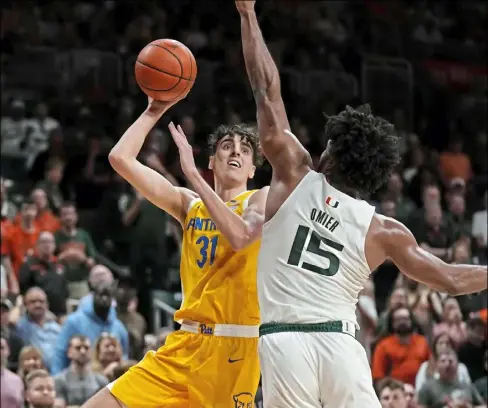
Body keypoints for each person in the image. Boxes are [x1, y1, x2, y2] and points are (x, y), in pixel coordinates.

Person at [236, 1, 488, 407]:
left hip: (284, 340)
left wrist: (247, 14)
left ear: (332, 154)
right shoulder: (383, 230)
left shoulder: (294, 174)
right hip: (340, 343)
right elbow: (449, 279)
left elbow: (265, 88)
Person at [83, 69, 268, 407]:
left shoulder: (259, 199)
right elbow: (119, 159)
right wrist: (154, 110)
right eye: (227, 146)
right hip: (184, 344)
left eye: (244, 150)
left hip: (232, 349)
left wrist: (193, 175)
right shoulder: (190, 205)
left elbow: (242, 237)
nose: (235, 153)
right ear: (213, 160)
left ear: (253, 169)